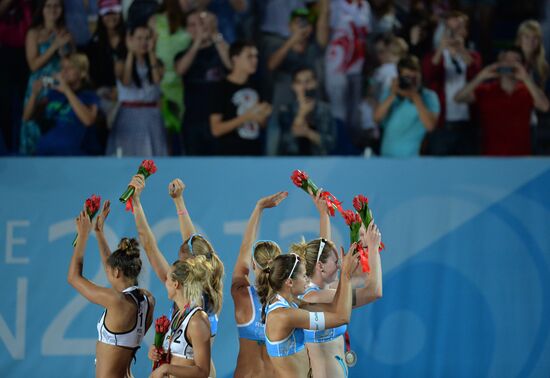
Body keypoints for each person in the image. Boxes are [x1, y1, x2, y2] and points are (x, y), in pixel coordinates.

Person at [130, 175, 223, 377]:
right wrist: (178, 201)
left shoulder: (196, 305)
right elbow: (190, 241)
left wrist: (136, 203)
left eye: (181, 261)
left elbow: (150, 246)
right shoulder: (193, 295)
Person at [290, 192, 383, 378]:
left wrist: (324, 215)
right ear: (320, 267)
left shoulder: (322, 290)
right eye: (336, 260)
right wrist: (373, 248)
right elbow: (373, 291)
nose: (340, 264)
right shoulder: (314, 298)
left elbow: (323, 249)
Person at [68, 203, 155, 378]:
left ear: (117, 271)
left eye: (109, 270)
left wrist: (83, 235)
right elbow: (111, 267)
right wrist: (99, 233)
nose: (106, 271)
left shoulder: (116, 301)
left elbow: (73, 278)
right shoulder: (147, 301)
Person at [257, 244, 360, 377]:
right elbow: (342, 318)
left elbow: (335, 308)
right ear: (289, 282)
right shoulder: (285, 315)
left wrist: (345, 274)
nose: (307, 280)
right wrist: (346, 275)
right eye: (304, 275)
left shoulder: (292, 303)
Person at [454, 47, 550, 156]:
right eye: (506, 60)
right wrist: (481, 76)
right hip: (491, 157)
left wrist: (526, 78)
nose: (510, 63)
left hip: (522, 158)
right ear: (499, 64)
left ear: (522, 66)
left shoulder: (527, 91)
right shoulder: (486, 90)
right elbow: (458, 98)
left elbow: (545, 106)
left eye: (515, 60)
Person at [232, 191, 288, 377]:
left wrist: (259, 209)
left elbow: (244, 250)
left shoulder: (241, 294)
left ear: (253, 264)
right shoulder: (291, 300)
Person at [422, 11, 482, 155]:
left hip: (467, 124)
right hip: (442, 124)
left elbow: (476, 75)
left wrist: (461, 49)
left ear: (466, 31)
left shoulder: (473, 56)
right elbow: (429, 75)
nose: (455, 33)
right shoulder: (434, 57)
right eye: (451, 29)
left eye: (459, 28)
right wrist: (441, 48)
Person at [174, 10, 231, 155]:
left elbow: (232, 64)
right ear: (187, 29)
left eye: (201, 23)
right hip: (193, 120)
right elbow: (180, 69)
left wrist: (214, 33)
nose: (198, 28)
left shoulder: (220, 48)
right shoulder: (182, 54)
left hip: (219, 121)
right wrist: (198, 41)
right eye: (193, 25)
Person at [20, 0, 73, 155]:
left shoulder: (66, 32)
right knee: (33, 124)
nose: (52, 9)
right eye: (48, 5)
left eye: (57, 6)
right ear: (42, 9)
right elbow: (33, 65)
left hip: (59, 85)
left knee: (56, 124)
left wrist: (64, 49)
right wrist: (54, 46)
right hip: (38, 86)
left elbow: (72, 63)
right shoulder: (33, 33)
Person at [22, 53, 101, 155]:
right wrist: (34, 94)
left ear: (82, 73)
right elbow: (27, 117)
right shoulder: (53, 94)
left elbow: (88, 120)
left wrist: (66, 91)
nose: (64, 71)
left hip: (72, 155)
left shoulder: (89, 96)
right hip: (45, 152)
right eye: (62, 67)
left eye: (70, 68)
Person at [107, 23, 167, 156]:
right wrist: (130, 53)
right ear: (130, 39)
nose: (143, 42)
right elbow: (126, 81)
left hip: (151, 115)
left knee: (152, 155)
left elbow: (157, 79)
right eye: (139, 38)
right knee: (127, 154)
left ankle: (151, 177)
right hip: (129, 114)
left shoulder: (158, 62)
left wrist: (151, 52)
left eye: (147, 38)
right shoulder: (120, 62)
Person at [148, 256, 213, 378]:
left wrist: (166, 369)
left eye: (167, 279)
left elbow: (203, 372)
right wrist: (156, 352)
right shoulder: (178, 315)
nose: (165, 283)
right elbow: (175, 356)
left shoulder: (197, 320)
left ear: (176, 284)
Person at [210, 40, 272, 155]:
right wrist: (246, 117)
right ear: (235, 58)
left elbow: (262, 124)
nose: (255, 60)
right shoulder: (220, 88)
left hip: (254, 152)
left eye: (256, 56)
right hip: (229, 155)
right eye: (249, 56)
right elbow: (216, 129)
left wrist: (263, 116)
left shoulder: (258, 86)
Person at [374, 54, 440, 157]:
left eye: (415, 77)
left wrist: (415, 97)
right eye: (407, 77)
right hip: (386, 157)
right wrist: (394, 94)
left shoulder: (429, 96)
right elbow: (376, 118)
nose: (412, 82)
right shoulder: (391, 93)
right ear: (399, 77)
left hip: (411, 158)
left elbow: (430, 126)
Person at [149, 0, 192, 151]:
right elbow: (150, 50)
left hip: (182, 85)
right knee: (162, 137)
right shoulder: (156, 21)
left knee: (179, 136)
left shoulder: (190, 21)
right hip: (161, 83)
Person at [85, 0, 126, 129]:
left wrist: (120, 90)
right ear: (101, 17)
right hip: (102, 93)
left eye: (115, 12)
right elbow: (92, 74)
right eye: (107, 14)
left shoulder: (129, 38)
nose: (111, 17)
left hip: (127, 91)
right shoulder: (95, 43)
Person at [278, 66, 336, 155]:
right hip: (293, 164)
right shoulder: (285, 110)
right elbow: (283, 146)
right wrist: (301, 115)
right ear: (293, 86)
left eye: (308, 81)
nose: (304, 87)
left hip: (319, 163)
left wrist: (308, 133)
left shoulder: (325, 110)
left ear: (315, 83)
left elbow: (331, 144)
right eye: (299, 82)